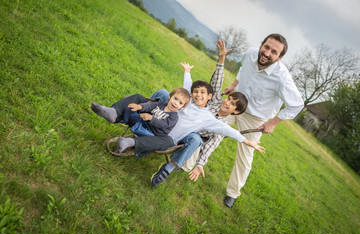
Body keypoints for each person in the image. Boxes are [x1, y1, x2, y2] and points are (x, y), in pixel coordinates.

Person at [128, 40, 265, 186]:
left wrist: (200, 164)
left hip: (189, 132)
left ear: (235, 111)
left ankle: (168, 168)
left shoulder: (220, 125)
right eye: (229, 99)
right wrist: (221, 59)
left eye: (232, 104)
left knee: (196, 139)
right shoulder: (216, 100)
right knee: (163, 93)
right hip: (179, 113)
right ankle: (139, 108)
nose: (227, 103)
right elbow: (216, 81)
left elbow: (210, 145)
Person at [218, 33, 304, 208]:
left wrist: (272, 123)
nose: (267, 53)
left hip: (255, 119)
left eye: (274, 52)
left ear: (279, 58)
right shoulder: (250, 53)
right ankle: (186, 163)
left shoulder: (282, 78)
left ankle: (232, 193)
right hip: (234, 105)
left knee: (244, 157)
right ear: (261, 45)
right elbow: (243, 69)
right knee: (211, 129)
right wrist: (234, 85)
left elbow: (297, 105)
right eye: (266, 47)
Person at [91, 88, 190, 150]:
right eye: (175, 99)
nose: (176, 103)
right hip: (142, 123)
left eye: (180, 103)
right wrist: (140, 107)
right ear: (170, 97)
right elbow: (150, 106)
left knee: (132, 113)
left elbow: (163, 124)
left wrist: (151, 117)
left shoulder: (174, 117)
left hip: (151, 134)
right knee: (135, 102)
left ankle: (127, 139)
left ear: (182, 108)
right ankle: (113, 113)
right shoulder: (161, 103)